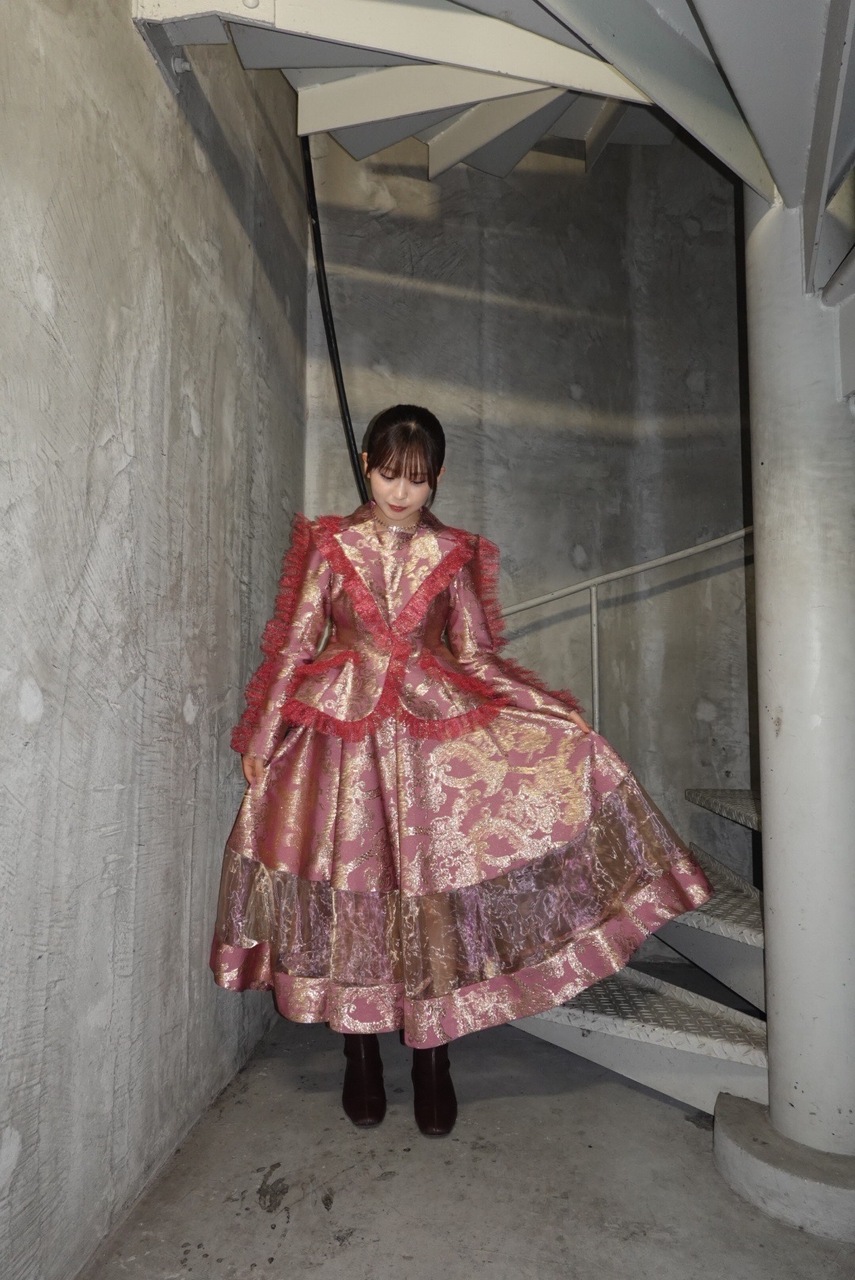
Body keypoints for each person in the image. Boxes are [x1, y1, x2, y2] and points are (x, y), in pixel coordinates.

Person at [210, 404, 711, 1137]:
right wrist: (262, 731)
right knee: (353, 890)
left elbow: (475, 657)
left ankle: (432, 1057)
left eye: (415, 479)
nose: (399, 491)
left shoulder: (452, 554)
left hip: (427, 742)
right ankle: (358, 1054)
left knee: (425, 890)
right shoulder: (331, 544)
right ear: (366, 467)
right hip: (339, 744)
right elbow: (295, 645)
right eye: (388, 474)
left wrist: (548, 710)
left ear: (437, 478)